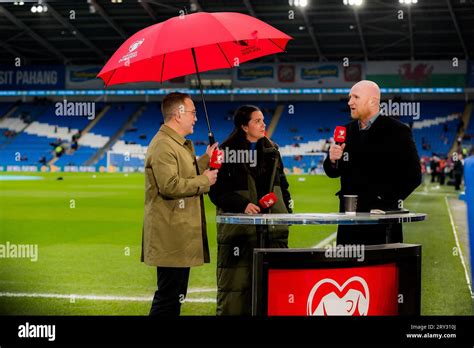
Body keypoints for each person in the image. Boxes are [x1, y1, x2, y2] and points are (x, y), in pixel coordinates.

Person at [209, 105, 293, 316]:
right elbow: (216, 192)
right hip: (240, 235)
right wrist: (242, 205)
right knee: (237, 291)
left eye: (263, 120)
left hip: (272, 233)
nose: (263, 124)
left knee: (272, 292)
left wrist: (287, 213)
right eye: (257, 121)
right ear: (244, 126)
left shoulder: (272, 150)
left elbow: (282, 185)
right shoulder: (225, 152)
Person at [141, 92, 219, 316]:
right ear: (179, 114)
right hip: (170, 235)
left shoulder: (176, 144)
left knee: (174, 298)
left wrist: (206, 158)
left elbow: (184, 171)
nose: (195, 118)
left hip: (177, 234)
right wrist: (205, 180)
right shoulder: (163, 145)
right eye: (193, 113)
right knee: (168, 300)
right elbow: (170, 185)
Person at [324, 80, 421, 245]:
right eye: (349, 97)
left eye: (355, 97)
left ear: (373, 101)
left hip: (382, 224)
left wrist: (384, 202)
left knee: (380, 269)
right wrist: (332, 160)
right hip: (349, 224)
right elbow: (333, 172)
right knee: (348, 270)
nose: (350, 102)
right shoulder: (346, 131)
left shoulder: (397, 131)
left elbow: (413, 176)